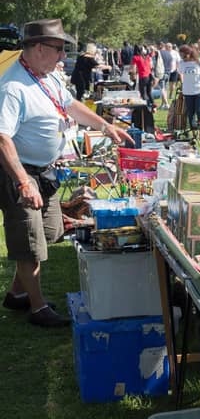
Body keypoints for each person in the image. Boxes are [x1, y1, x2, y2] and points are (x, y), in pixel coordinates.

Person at [0, 19, 131, 327]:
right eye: (58, 50)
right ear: (39, 48)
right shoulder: (13, 87)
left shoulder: (47, 77)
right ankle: (37, 307)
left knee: (48, 233)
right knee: (30, 243)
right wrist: (22, 182)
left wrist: (104, 125)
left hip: (44, 173)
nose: (62, 57)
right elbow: (2, 137)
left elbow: (70, 105)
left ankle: (17, 294)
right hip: (21, 173)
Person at [177, 44, 200, 132]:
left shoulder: (199, 61)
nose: (183, 57)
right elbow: (180, 74)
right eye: (181, 55)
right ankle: (193, 131)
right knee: (190, 113)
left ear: (189, 53)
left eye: (183, 55)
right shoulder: (181, 63)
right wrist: (182, 84)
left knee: (199, 111)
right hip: (187, 91)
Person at [130, 44, 154, 133]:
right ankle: (152, 104)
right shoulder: (146, 57)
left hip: (142, 76)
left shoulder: (136, 57)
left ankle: (145, 106)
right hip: (149, 75)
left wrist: (132, 75)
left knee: (143, 92)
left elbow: (132, 68)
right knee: (149, 91)